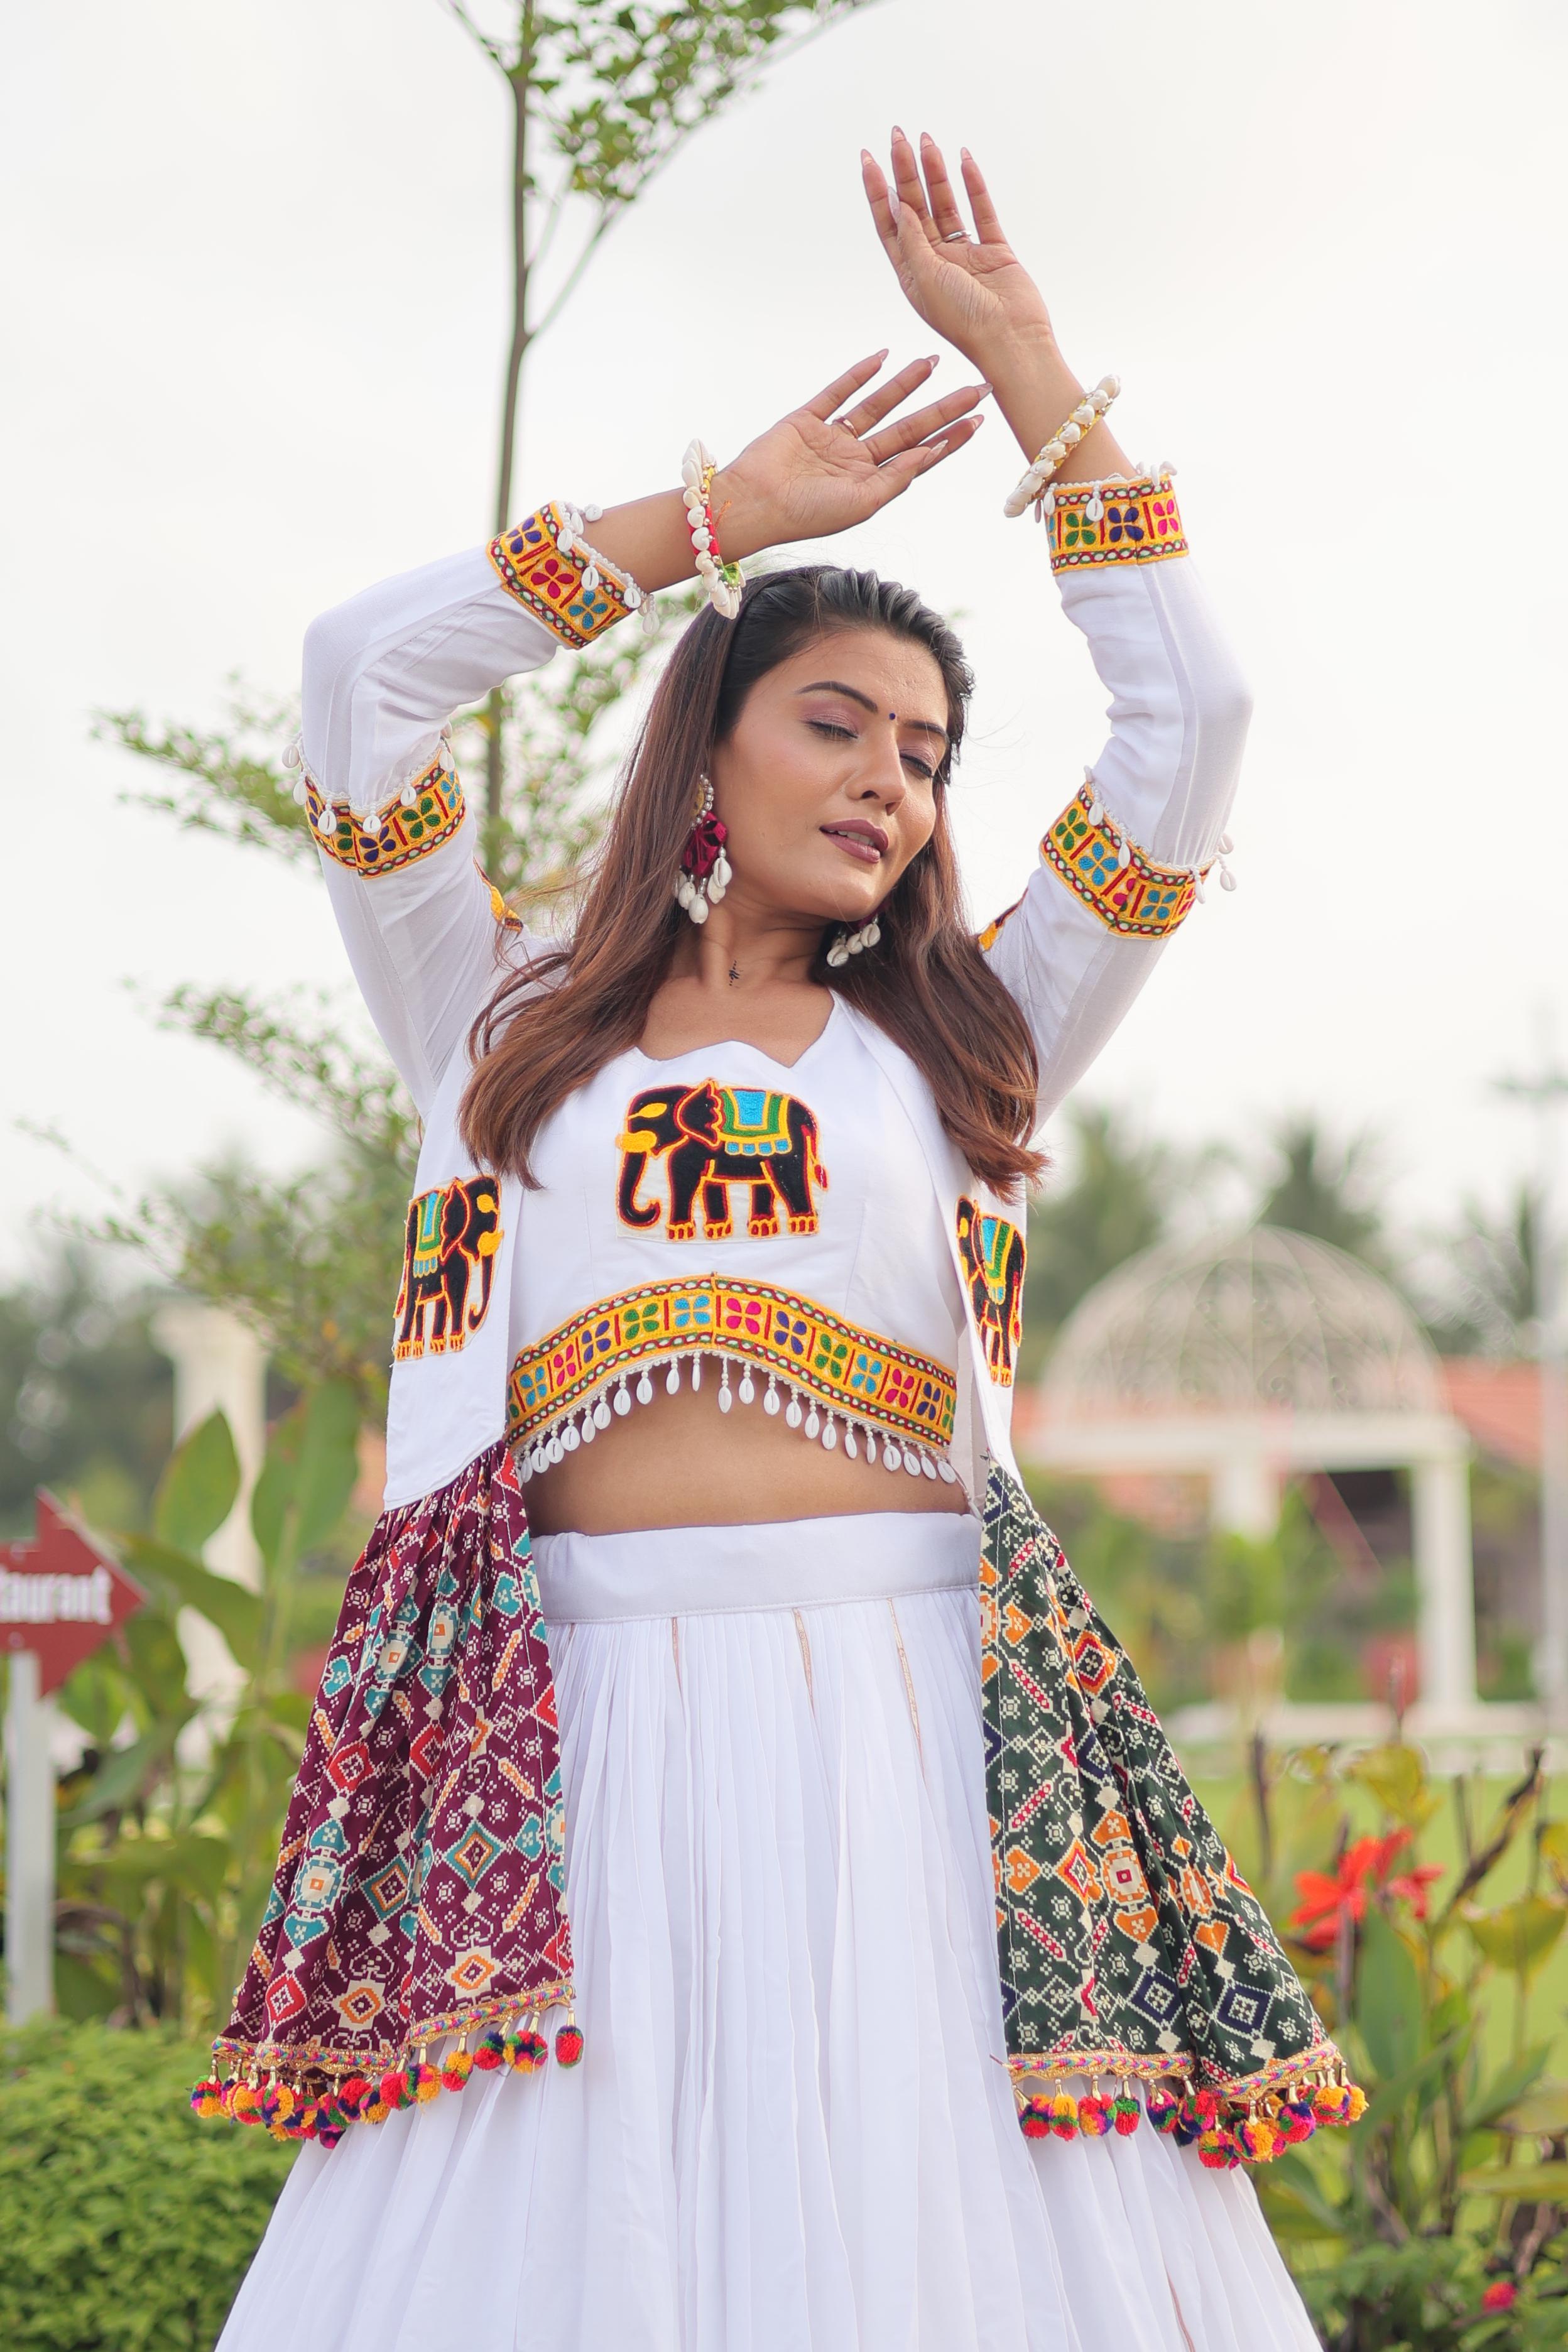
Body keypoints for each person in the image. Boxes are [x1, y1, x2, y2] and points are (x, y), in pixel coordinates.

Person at [207, 135, 1353, 2352]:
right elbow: (365, 678)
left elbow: (1192, 725)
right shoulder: (492, 1005)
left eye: (925, 756)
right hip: (573, 1730)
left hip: (916, 1726)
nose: (893, 785)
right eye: (835, 721)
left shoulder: (974, 1029)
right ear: (703, 749)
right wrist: (718, 523)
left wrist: (1030, 368)